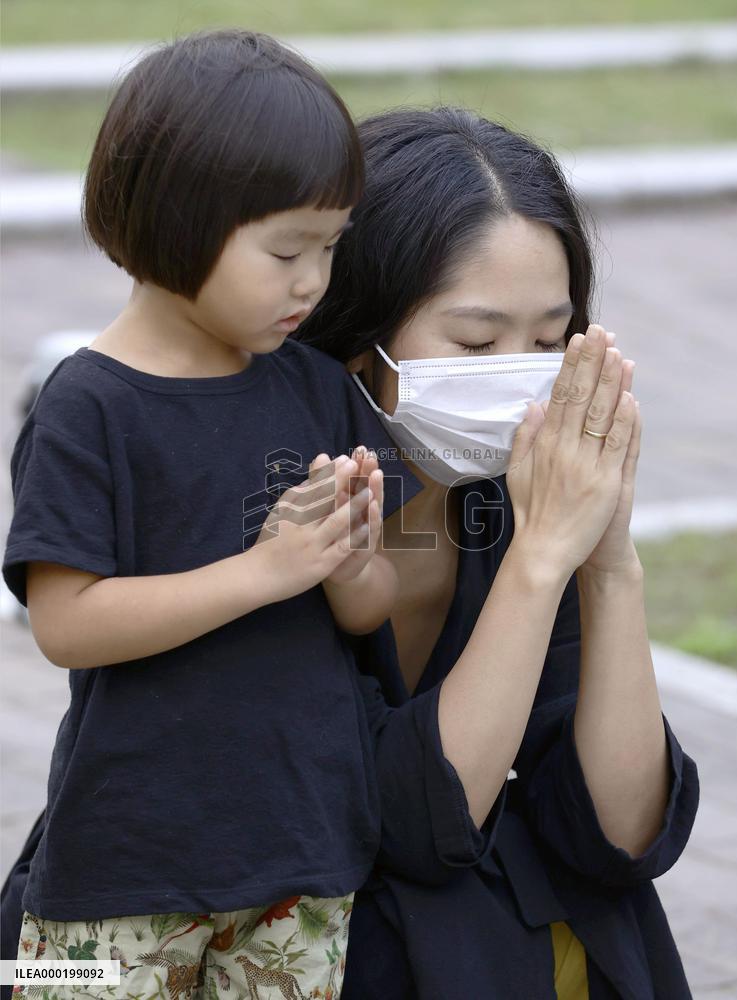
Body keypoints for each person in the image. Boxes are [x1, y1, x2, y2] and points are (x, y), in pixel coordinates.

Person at [0, 34, 485, 1000]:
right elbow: (66, 626)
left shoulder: (313, 391)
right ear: (178, 223)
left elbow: (367, 607)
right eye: (286, 250)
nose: (314, 280)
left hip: (301, 855)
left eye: (331, 246)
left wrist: (346, 565)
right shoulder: (87, 404)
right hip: (118, 864)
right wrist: (265, 569)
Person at [292, 106, 700, 998]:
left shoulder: (509, 502)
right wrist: (539, 562)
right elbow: (411, 822)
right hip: (211, 933)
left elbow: (620, 835)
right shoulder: (278, 505)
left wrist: (605, 561)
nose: (521, 379)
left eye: (550, 342)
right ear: (359, 338)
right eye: (476, 343)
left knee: (606, 917)